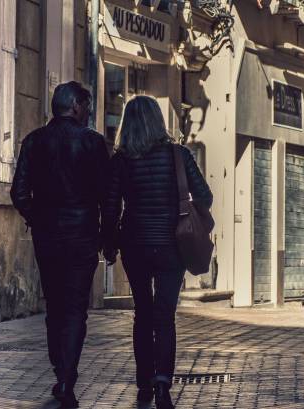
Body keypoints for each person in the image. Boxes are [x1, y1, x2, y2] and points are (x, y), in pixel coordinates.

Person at [101, 96, 213, 409]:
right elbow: (205, 196)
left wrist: (108, 242)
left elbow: (110, 207)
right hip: (171, 245)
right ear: (158, 121)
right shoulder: (178, 154)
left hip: (135, 245)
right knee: (165, 316)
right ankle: (163, 384)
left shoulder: (121, 160)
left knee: (143, 315)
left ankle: (143, 383)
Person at [10, 81, 109, 408]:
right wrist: (109, 238)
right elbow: (108, 198)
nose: (89, 112)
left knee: (54, 304)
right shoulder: (94, 144)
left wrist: (37, 218)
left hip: (48, 236)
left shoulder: (34, 141)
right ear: (76, 107)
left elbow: (19, 193)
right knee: (76, 308)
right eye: (88, 106)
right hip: (82, 235)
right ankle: (67, 375)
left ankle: (60, 369)